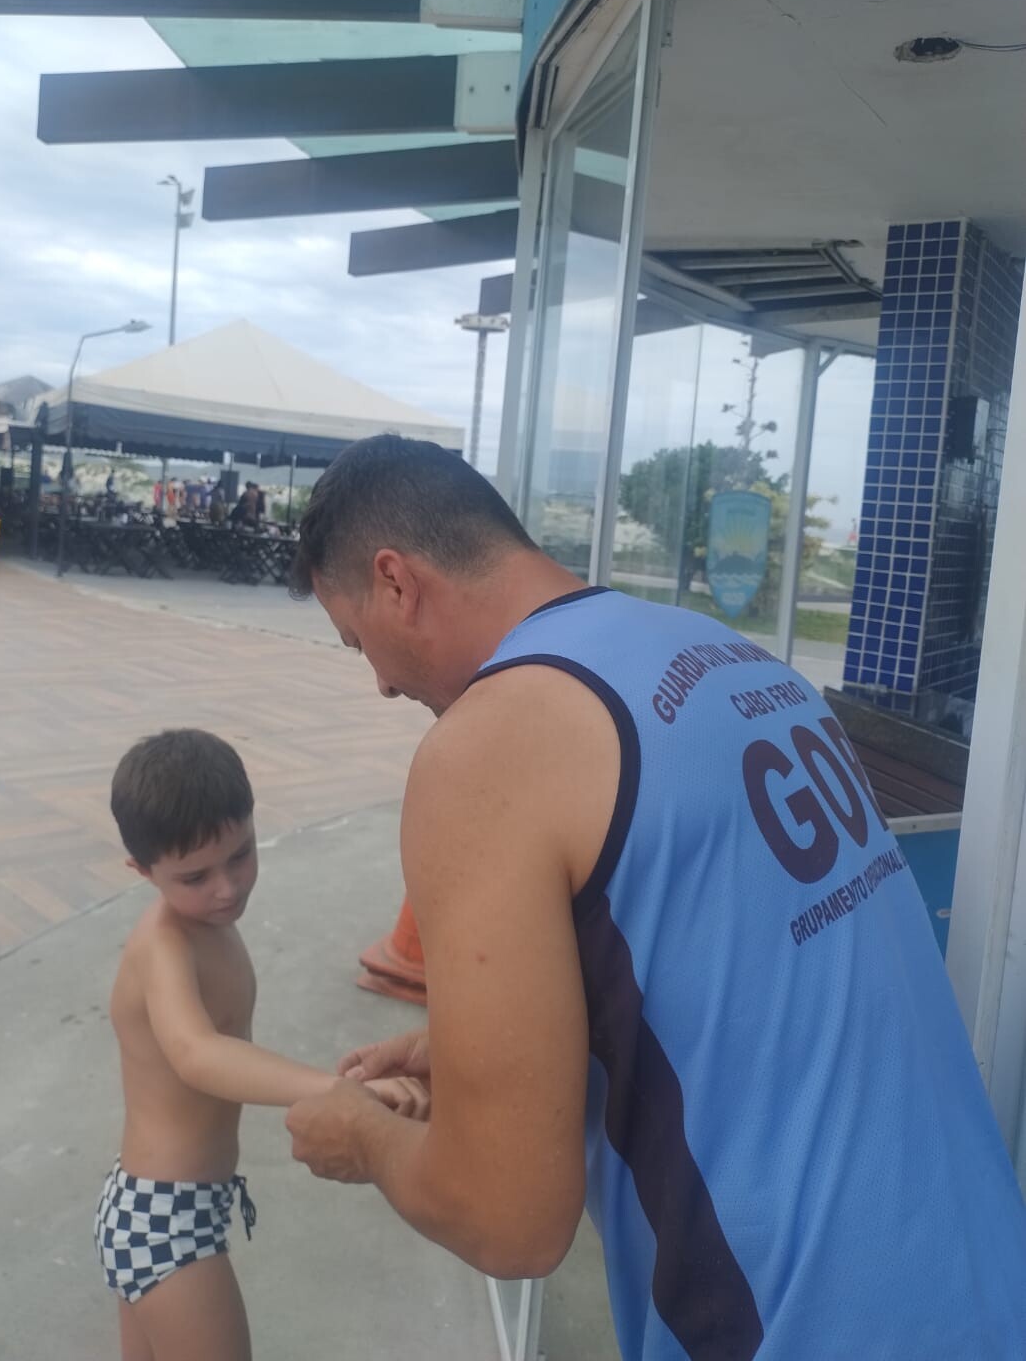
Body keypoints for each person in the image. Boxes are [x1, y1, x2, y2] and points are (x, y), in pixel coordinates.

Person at [282, 435, 1026, 1360]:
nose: (381, 683)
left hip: (803, 1327)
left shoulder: (489, 744)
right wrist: (495, 1056)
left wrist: (361, 1140)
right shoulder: (734, 660)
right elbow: (749, 977)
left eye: (359, 642)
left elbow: (507, 1218)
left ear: (395, 581)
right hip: (984, 1280)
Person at [96, 727, 427, 1361]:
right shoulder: (164, 945)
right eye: (195, 876)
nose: (227, 887)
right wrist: (339, 1090)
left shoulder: (206, 921)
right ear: (141, 871)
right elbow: (197, 1054)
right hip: (164, 1225)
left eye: (241, 854)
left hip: (155, 1209)